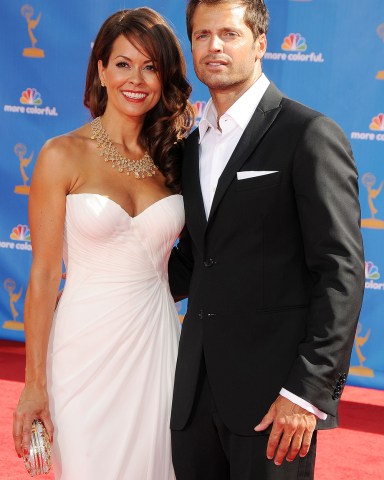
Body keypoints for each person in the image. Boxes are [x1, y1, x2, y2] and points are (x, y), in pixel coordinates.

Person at [169, 1, 365, 479]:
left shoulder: (308, 134)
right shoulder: (192, 146)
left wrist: (308, 392)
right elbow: (200, 258)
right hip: (193, 397)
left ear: (260, 44)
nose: (214, 46)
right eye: (201, 35)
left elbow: (340, 272)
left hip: (276, 403)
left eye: (229, 34)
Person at [13, 7, 193, 479]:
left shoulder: (174, 162)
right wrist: (34, 383)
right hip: (83, 350)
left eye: (151, 66)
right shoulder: (61, 155)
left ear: (165, 77)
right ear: (101, 70)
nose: (137, 79)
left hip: (158, 345)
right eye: (123, 63)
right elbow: (44, 276)